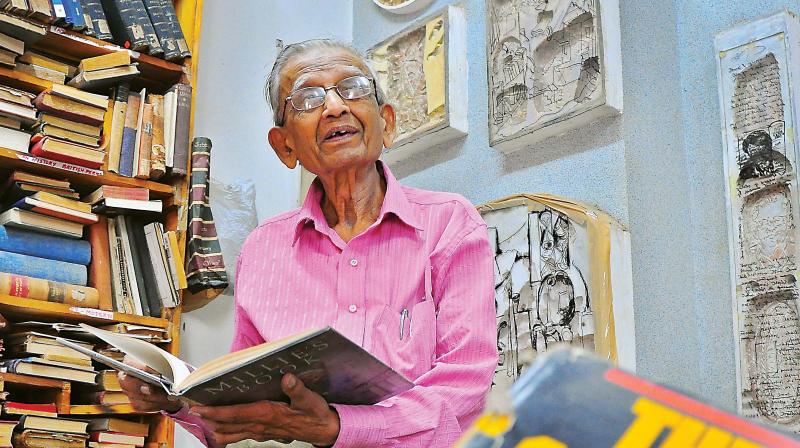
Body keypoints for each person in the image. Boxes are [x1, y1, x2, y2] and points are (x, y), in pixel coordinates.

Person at [118, 39, 497, 447]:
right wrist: (176, 399)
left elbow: (465, 383)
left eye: (353, 88)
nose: (335, 107)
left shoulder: (450, 223)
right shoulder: (263, 249)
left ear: (386, 123)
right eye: (308, 97)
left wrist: (341, 427)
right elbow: (245, 402)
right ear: (285, 146)